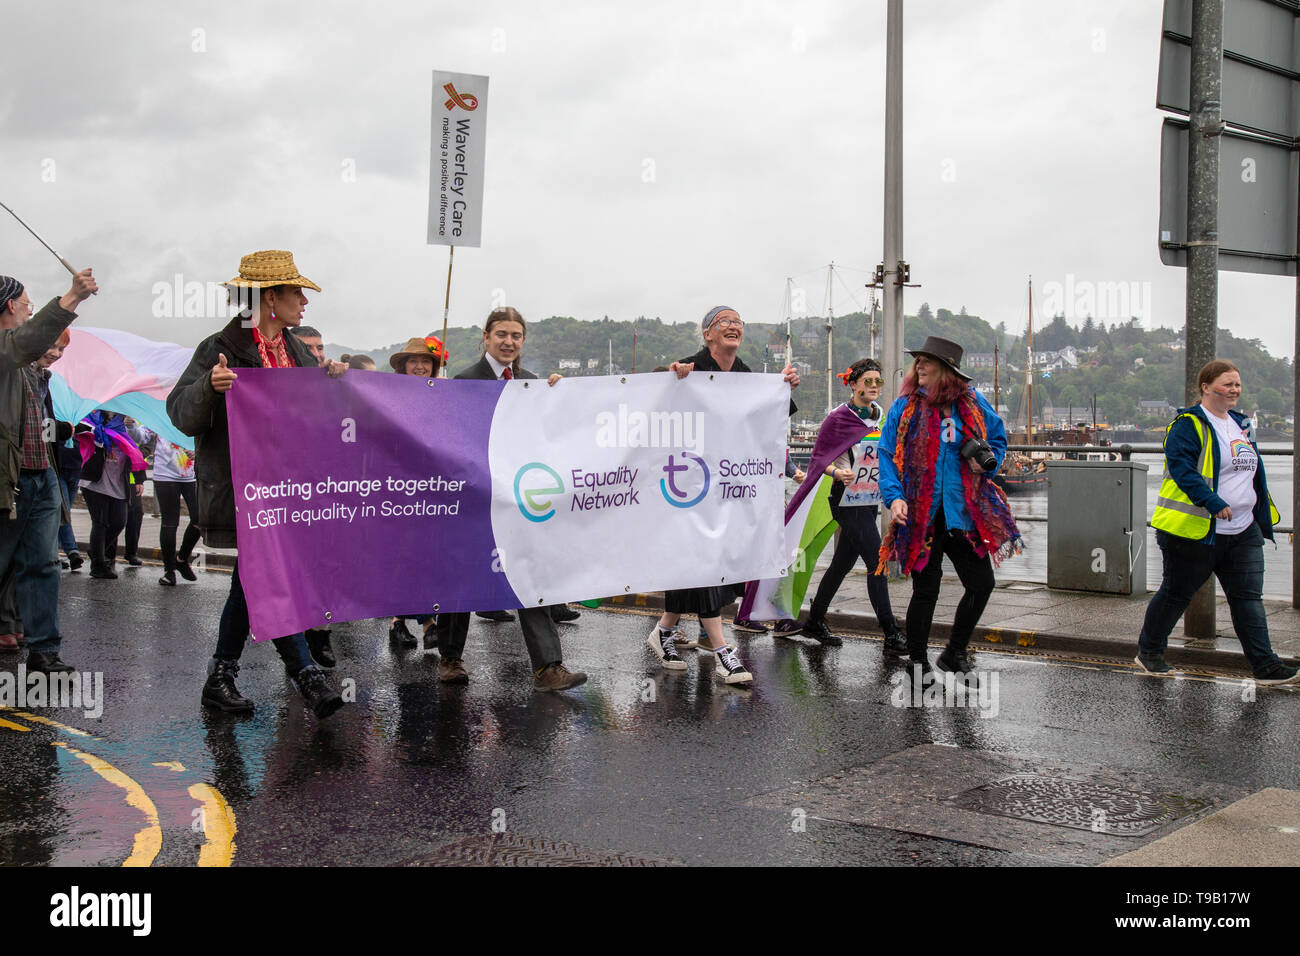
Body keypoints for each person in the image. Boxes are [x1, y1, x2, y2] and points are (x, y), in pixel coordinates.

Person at [167, 250, 350, 717]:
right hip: (245, 485)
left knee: (254, 576)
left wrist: (333, 381)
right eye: (296, 292)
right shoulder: (218, 347)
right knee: (267, 572)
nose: (304, 302)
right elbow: (181, 412)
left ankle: (222, 675)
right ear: (270, 298)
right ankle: (306, 676)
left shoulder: (298, 350)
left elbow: (320, 415)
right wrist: (211, 384)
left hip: (290, 487)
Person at [435, 306, 587, 692]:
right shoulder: (465, 380)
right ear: (485, 337)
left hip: (517, 500)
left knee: (527, 573)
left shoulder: (534, 383)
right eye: (501, 334)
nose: (508, 342)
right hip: (475, 498)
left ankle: (549, 668)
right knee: (462, 577)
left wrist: (556, 395)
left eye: (516, 336)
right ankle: (450, 658)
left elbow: (547, 434)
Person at [646, 306, 800, 683]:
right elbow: (648, 402)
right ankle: (721, 649)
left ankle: (664, 630)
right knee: (703, 561)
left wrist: (784, 388)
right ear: (707, 335)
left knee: (711, 566)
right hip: (686, 488)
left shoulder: (748, 376)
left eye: (738, 323)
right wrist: (670, 379)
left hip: (729, 489)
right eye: (723, 323)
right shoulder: (687, 368)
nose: (733, 327)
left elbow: (771, 421)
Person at [1136, 360, 1298, 685]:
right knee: (1175, 595)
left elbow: (1250, 471)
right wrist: (1212, 502)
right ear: (1206, 387)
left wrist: (1255, 509)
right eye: (1227, 384)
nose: (1234, 390)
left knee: (1248, 599)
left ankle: (1266, 667)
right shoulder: (1187, 424)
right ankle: (1149, 652)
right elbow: (1182, 470)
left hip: (1243, 529)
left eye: (1237, 384)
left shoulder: (1240, 424)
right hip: (1195, 531)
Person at [877, 336, 1018, 680]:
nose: (919, 366)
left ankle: (954, 652)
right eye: (918, 361)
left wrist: (987, 463)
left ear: (947, 370)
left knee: (981, 583)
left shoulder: (973, 403)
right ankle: (917, 662)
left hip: (964, 512)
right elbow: (886, 453)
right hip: (921, 513)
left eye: (927, 361)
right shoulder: (905, 407)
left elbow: (997, 441)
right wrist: (894, 496)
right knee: (926, 589)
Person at [0, 269, 98, 668]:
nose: (30, 311)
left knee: (43, 565)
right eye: (27, 305)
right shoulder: (9, 351)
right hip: (10, 482)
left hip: (41, 479)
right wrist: (72, 297)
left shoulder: (33, 369)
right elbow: (25, 342)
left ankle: (44, 651)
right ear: (10, 306)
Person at [798, 358, 906, 652]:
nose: (873, 386)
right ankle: (892, 634)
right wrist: (837, 472)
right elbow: (819, 459)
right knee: (877, 562)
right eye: (868, 381)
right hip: (844, 499)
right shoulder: (838, 418)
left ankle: (814, 621)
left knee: (842, 563)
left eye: (878, 381)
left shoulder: (880, 417)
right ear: (854, 383)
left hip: (869, 499)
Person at [386, 336, 445, 649]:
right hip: (400, 489)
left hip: (433, 489)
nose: (421, 366)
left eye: (426, 362)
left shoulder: (440, 396)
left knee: (424, 556)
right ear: (403, 366)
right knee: (407, 556)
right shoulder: (390, 398)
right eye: (414, 361)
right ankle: (426, 623)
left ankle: (402, 622)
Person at [77, 410, 146, 579]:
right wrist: (98, 435)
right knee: (100, 523)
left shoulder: (125, 424)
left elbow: (138, 444)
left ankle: (96, 551)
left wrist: (139, 479)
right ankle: (98, 565)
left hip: (118, 483)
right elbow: (79, 432)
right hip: (95, 482)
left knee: (119, 521)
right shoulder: (91, 420)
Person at [153, 438, 200, 586]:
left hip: (190, 475)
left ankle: (181, 559)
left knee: (200, 519)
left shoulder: (192, 416)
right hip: (165, 474)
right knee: (170, 523)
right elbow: (142, 436)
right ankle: (169, 571)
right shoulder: (159, 416)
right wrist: (132, 426)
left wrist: (198, 452)